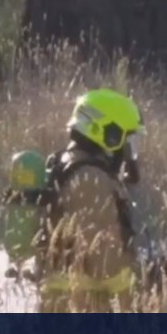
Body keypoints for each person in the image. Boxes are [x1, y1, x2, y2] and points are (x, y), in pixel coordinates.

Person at [33, 88, 143, 312]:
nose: (129, 151)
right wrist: (148, 281)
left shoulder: (66, 163)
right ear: (108, 135)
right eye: (127, 140)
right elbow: (106, 264)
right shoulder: (90, 179)